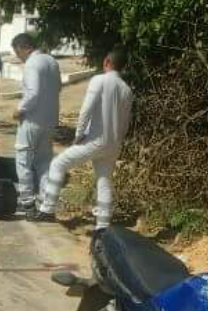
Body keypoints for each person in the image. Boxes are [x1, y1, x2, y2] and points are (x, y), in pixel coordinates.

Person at [30, 47, 133, 230]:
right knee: (104, 180)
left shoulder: (99, 80)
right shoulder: (127, 90)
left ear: (106, 63)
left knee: (58, 164)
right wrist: (118, 142)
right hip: (114, 143)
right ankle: (102, 225)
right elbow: (126, 123)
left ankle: (47, 209)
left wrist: (78, 135)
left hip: (95, 140)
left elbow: (86, 109)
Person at [10, 33, 61, 213]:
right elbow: (57, 88)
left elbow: (33, 92)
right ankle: (46, 202)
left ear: (24, 48)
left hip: (32, 119)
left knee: (23, 159)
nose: (18, 57)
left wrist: (20, 109)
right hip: (49, 119)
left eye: (17, 52)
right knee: (44, 161)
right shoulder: (52, 61)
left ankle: (27, 200)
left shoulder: (32, 63)